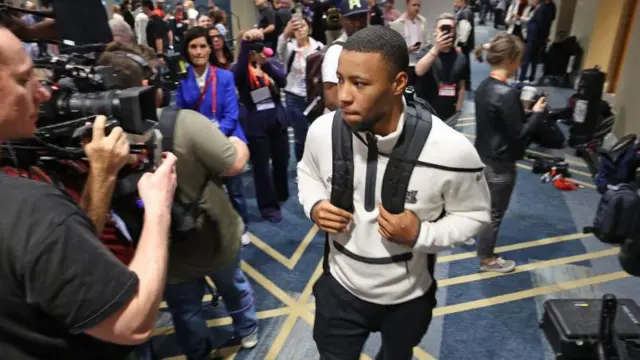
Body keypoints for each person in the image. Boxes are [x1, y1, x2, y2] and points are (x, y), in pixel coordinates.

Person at [297, 26, 490, 360]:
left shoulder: (452, 150)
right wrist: (314, 204)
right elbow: (307, 172)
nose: (343, 95)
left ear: (399, 83)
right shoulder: (321, 131)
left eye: (359, 83)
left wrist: (422, 233)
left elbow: (475, 214)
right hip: (339, 289)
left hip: (408, 297)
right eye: (340, 79)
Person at [0, 28, 177, 359]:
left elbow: (59, 254)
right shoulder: (31, 206)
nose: (43, 95)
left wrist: (102, 173)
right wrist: (159, 206)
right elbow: (132, 323)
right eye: (24, 81)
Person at [96, 41, 257, 358]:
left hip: (157, 251)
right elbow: (234, 163)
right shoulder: (184, 123)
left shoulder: (94, 141)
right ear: (146, 84)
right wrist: (239, 139)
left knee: (185, 310)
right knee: (234, 286)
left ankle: (198, 352)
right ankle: (248, 331)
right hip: (212, 237)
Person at [474, 33, 548, 273]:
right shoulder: (506, 94)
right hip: (500, 163)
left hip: (482, 156)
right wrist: (536, 113)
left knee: (482, 207)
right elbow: (520, 135)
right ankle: (487, 259)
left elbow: (500, 123)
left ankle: (478, 243)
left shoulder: (484, 86)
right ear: (512, 59)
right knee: (494, 214)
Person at [176, 26, 251, 247]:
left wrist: (212, 138)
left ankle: (242, 224)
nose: (198, 51)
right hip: (196, 139)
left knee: (235, 187)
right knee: (204, 186)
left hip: (226, 134)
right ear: (187, 50)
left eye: (202, 46)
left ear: (210, 49)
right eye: (193, 47)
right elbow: (181, 111)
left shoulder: (225, 76)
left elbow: (232, 114)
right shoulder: (181, 79)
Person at [234, 29, 289, 223]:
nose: (254, 51)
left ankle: (281, 193)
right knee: (262, 168)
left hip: (276, 119)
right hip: (256, 123)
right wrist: (246, 44)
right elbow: (239, 74)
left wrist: (265, 65)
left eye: (258, 46)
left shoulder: (269, 64)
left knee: (282, 159)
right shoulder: (240, 69)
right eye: (250, 48)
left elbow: (282, 81)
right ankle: (268, 206)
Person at [277, 16, 324, 161]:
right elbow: (279, 50)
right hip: (294, 96)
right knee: (300, 137)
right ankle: (301, 168)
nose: (300, 30)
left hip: (315, 97)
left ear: (309, 28)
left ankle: (318, 165)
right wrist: (286, 33)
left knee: (319, 134)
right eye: (296, 28)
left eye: (302, 26)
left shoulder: (319, 47)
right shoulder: (290, 48)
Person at [414, 13, 468, 126]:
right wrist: (436, 49)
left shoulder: (460, 57)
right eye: (442, 28)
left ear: (454, 32)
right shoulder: (426, 52)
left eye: (450, 29)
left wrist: (458, 109)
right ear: (435, 32)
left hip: (450, 114)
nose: (446, 32)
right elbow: (419, 70)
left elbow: (462, 85)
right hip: (427, 113)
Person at [321, 0, 369, 111]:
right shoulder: (336, 52)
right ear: (342, 20)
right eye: (352, 18)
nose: (358, 23)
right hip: (340, 123)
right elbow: (331, 100)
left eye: (361, 16)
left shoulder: (371, 46)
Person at [389, 0, 429, 88]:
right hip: (406, 65)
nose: (416, 8)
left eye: (418, 5)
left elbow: (427, 42)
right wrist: (408, 49)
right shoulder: (396, 24)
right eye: (414, 5)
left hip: (420, 64)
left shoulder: (423, 21)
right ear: (407, 5)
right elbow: (393, 48)